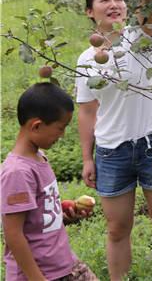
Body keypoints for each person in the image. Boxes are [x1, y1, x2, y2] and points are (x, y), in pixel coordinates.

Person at [75, 0, 152, 281]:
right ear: (89, 11)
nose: (114, 4)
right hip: (111, 151)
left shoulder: (141, 38)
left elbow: (149, 6)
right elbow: (86, 111)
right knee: (117, 228)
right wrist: (87, 157)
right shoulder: (86, 59)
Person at [1, 82, 98, 281]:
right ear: (36, 125)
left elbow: (37, 219)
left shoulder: (39, 157)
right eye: (60, 129)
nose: (62, 136)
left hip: (63, 263)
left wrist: (63, 215)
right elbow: (13, 234)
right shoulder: (17, 172)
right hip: (41, 273)